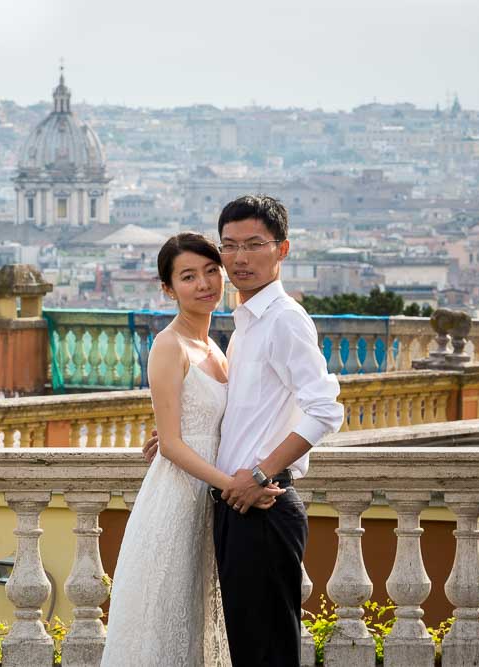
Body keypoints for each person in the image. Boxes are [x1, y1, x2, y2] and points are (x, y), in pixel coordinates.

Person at [142, 195, 344, 666]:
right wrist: (178, 437)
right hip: (239, 503)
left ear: (282, 249)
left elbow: (325, 410)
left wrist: (258, 474)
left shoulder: (284, 320)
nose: (239, 258)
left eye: (254, 244)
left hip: (263, 502)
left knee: (266, 652)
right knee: (251, 650)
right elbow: (245, 412)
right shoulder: (244, 323)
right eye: (229, 246)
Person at [102, 232, 278, 666]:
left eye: (210, 271)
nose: (203, 284)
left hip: (209, 502)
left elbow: (207, 425)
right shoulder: (168, 345)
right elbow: (176, 448)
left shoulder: (216, 347)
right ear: (168, 288)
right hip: (178, 502)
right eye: (188, 277)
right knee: (165, 623)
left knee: (199, 623)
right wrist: (235, 487)